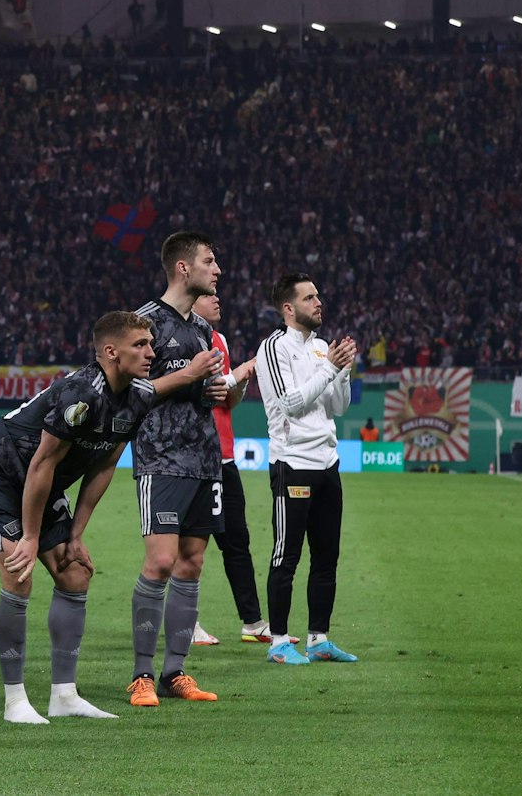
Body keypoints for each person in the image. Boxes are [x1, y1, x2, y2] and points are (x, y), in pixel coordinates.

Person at [0, 311, 220, 723]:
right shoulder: (81, 393)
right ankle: (15, 701)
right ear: (110, 351)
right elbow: (42, 464)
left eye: (151, 344)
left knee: (74, 573)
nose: (151, 352)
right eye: (140, 345)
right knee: (19, 574)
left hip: (37, 482)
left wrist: (76, 532)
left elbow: (104, 464)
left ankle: (63, 696)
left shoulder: (137, 396)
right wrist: (32, 536)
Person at [126, 232, 234, 707]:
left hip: (204, 460)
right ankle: (141, 675)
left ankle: (175, 672)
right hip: (160, 459)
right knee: (161, 562)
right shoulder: (144, 323)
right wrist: (188, 376)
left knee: (192, 564)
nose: (218, 270)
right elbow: (130, 392)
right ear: (183, 268)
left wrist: (214, 390)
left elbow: (205, 391)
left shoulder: (202, 332)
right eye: (210, 262)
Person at [254, 272, 359, 665]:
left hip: (327, 463)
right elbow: (291, 404)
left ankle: (319, 638)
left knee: (327, 556)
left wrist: (343, 371)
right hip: (293, 463)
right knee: (287, 555)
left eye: (318, 295)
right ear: (288, 308)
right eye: (310, 297)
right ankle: (280, 642)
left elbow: (338, 408)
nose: (319, 302)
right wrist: (331, 368)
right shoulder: (273, 348)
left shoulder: (319, 349)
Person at [192, 294, 267, 647]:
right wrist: (239, 372)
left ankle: (253, 622)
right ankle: (187, 623)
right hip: (193, 459)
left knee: (237, 541)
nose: (218, 298)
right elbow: (208, 390)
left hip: (224, 456)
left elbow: (228, 399)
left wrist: (244, 379)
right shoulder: (184, 340)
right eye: (210, 295)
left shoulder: (218, 340)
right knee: (190, 546)